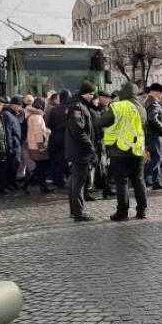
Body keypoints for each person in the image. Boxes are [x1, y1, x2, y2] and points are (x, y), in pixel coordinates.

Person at [98, 83, 148, 221]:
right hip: (138, 150)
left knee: (122, 183)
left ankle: (122, 212)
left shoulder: (118, 106)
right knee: (139, 180)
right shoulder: (142, 108)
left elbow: (101, 122)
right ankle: (142, 211)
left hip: (119, 150)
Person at [66, 81, 98, 221]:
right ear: (85, 93)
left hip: (79, 150)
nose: (92, 96)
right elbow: (79, 130)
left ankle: (75, 211)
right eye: (91, 94)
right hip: (80, 151)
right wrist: (90, 147)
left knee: (75, 181)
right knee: (78, 182)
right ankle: (78, 212)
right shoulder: (77, 106)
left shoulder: (79, 104)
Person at [22, 97, 52, 194]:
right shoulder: (37, 117)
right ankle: (27, 184)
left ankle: (42, 186)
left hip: (33, 145)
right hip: (38, 146)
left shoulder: (32, 115)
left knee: (40, 167)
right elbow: (38, 133)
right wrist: (41, 147)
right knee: (40, 168)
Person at [144, 83, 162, 190]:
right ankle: (142, 176)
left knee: (155, 157)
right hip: (154, 134)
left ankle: (156, 181)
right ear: (158, 93)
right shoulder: (153, 103)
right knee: (157, 158)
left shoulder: (149, 101)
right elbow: (152, 119)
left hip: (151, 134)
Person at [47, 89, 71, 188]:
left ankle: (58, 181)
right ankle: (69, 178)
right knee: (65, 161)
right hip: (66, 140)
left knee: (56, 162)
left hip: (55, 139)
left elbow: (49, 124)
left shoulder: (54, 109)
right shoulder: (71, 109)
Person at [2, 97, 23, 190]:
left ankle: (13, 183)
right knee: (11, 166)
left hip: (16, 144)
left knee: (15, 165)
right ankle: (10, 183)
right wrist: (9, 146)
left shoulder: (14, 115)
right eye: (18, 106)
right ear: (13, 105)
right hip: (13, 145)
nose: (20, 108)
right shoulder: (7, 115)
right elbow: (8, 132)